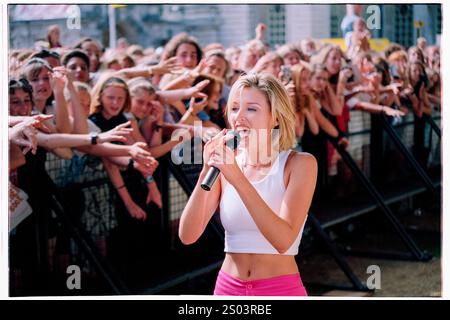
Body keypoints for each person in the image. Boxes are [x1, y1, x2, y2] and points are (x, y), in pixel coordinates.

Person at [179, 73, 317, 296]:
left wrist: (238, 179)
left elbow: (283, 240)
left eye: (251, 109)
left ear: (276, 117)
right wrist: (206, 168)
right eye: (234, 108)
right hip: (227, 288)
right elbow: (187, 235)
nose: (239, 117)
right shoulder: (225, 167)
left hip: (279, 289)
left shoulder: (300, 164)